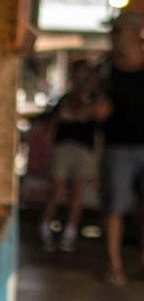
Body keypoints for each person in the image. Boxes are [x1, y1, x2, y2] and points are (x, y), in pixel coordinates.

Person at [97, 11, 144, 285]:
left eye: (119, 32)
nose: (115, 38)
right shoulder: (106, 70)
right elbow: (92, 103)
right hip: (117, 147)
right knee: (114, 206)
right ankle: (114, 266)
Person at [39, 60, 101, 253]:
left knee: (76, 193)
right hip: (63, 148)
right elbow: (49, 124)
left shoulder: (96, 100)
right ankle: (45, 228)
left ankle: (69, 233)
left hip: (84, 150)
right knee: (55, 190)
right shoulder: (64, 100)